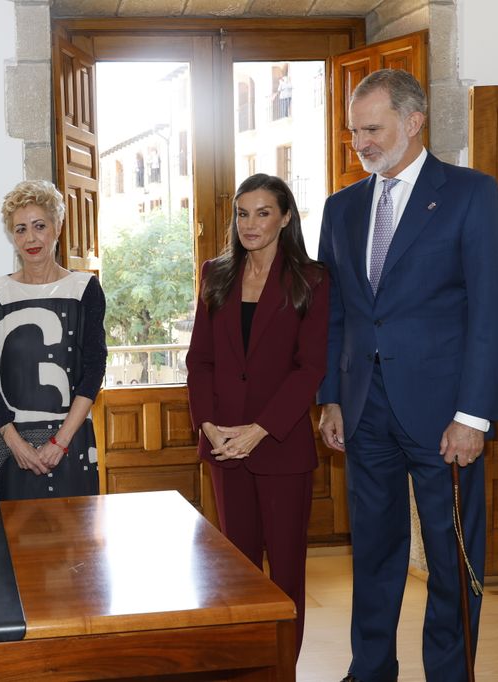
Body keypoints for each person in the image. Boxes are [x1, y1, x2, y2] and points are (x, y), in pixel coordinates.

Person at [316, 69, 498, 681]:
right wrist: (331, 398)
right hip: (364, 411)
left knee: (451, 559)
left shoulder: (470, 194)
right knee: (374, 555)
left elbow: (492, 312)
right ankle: (370, 670)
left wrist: (473, 416)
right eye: (354, 132)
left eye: (372, 129)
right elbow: (335, 314)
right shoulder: (342, 208)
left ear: (413, 121)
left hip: (445, 416)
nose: (361, 144)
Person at [186, 173, 329, 659]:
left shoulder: (312, 279)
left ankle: (283, 667)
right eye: (242, 213)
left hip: (281, 445)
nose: (250, 224)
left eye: (263, 213)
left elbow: (310, 367)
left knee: (286, 571)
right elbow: (200, 360)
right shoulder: (216, 273)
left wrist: (261, 429)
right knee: (237, 569)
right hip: (224, 444)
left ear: (285, 218)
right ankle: (245, 664)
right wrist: (208, 425)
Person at [0, 180, 107, 501]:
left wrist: (61, 441)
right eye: (20, 229)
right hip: (10, 444)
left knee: (77, 530)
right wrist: (14, 442)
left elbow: (94, 371)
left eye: (39, 226)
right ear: (12, 235)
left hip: (71, 439)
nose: (30, 238)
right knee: (12, 532)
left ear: (57, 227)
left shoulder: (84, 289)